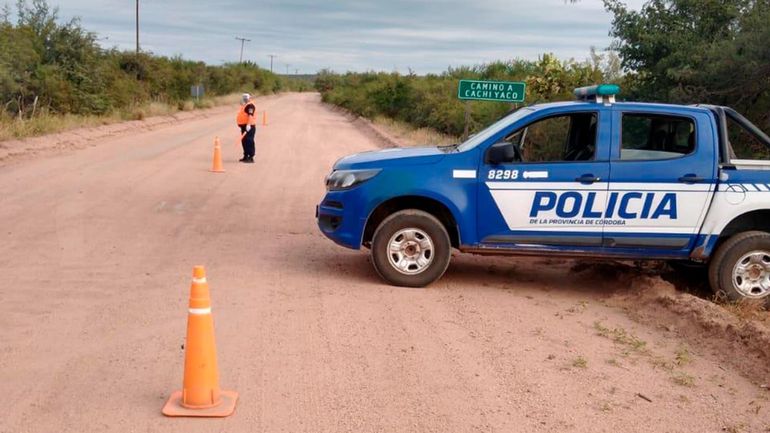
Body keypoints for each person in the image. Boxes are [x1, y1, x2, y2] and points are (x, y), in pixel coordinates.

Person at [236, 93, 257, 163]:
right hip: (244, 126)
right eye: (243, 97)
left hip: (249, 127)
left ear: (249, 98)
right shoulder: (245, 105)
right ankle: (245, 156)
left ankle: (251, 157)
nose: (244, 98)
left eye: (246, 97)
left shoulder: (250, 105)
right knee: (244, 141)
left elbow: (250, 115)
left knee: (249, 141)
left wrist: (248, 125)